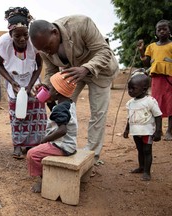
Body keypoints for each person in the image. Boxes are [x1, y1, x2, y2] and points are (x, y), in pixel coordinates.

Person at [29, 15, 119, 164]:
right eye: (42, 50)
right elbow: (51, 71)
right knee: (62, 107)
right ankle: (62, 146)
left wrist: (86, 68)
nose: (47, 52)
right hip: (72, 73)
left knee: (98, 113)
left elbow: (105, 52)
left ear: (54, 32)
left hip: (100, 71)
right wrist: (46, 85)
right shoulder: (44, 48)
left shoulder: (81, 24)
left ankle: (92, 156)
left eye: (47, 47)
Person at [0, 7, 47, 159]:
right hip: (14, 80)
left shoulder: (34, 42)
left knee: (36, 113)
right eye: (17, 36)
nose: (22, 39)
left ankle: (32, 145)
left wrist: (30, 85)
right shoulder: (2, 44)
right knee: (17, 114)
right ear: (10, 34)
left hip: (32, 78)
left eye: (25, 35)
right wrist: (11, 82)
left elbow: (39, 65)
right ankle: (18, 145)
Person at [27, 71, 77, 193]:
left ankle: (44, 180)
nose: (48, 89)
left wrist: (45, 139)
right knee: (39, 149)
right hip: (69, 144)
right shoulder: (67, 103)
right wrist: (49, 100)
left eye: (51, 87)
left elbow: (62, 130)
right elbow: (56, 113)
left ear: (57, 92)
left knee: (32, 154)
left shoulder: (60, 108)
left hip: (62, 146)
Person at [123, 71, 162, 181]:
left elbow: (158, 115)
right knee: (140, 150)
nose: (130, 91)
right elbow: (129, 117)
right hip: (136, 132)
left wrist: (158, 131)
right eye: (129, 88)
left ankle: (147, 172)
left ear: (144, 89)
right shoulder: (130, 103)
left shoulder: (150, 101)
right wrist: (127, 130)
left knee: (147, 151)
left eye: (133, 88)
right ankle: (141, 167)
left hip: (147, 132)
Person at [137, 19, 172, 141]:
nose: (162, 31)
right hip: (156, 80)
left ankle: (169, 131)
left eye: (165, 29)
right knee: (156, 104)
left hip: (170, 79)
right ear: (156, 32)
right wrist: (141, 51)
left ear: (169, 31)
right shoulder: (151, 47)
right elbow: (146, 63)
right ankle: (158, 130)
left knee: (170, 104)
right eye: (159, 29)